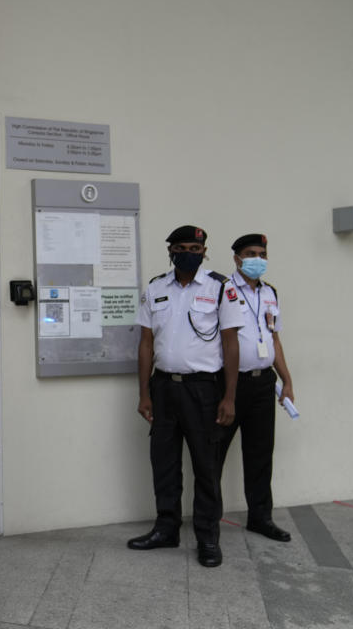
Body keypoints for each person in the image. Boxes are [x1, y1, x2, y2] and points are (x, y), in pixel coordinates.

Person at [129, 225, 245, 567]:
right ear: (170, 252)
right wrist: (143, 393)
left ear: (204, 251)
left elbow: (230, 344)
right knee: (163, 463)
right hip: (163, 387)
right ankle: (166, 529)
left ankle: (208, 536)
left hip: (204, 390)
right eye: (181, 247)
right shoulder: (155, 288)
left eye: (195, 248)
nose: (188, 253)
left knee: (206, 467)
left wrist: (229, 398)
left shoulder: (221, 288)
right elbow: (146, 343)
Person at [219, 233, 295, 542]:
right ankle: (208, 519)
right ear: (237, 258)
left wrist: (287, 379)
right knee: (214, 454)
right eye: (251, 253)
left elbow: (274, 338)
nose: (258, 259)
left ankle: (260, 517)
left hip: (264, 383)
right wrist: (228, 393)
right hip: (229, 385)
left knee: (261, 453)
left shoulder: (270, 292)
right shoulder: (223, 290)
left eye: (262, 254)